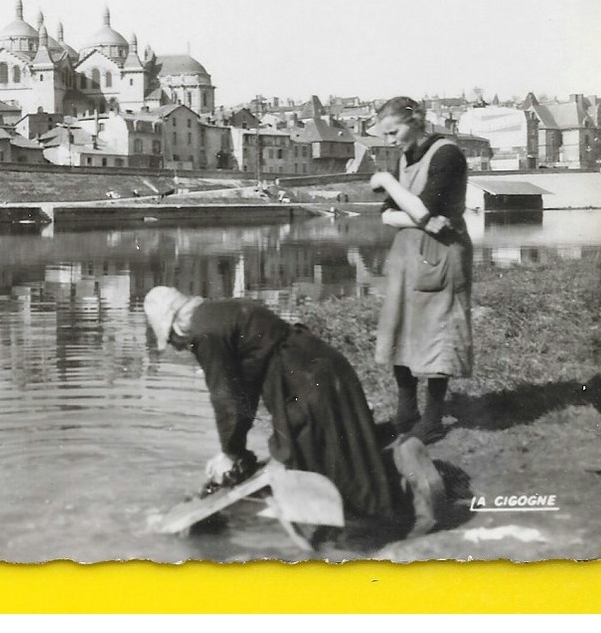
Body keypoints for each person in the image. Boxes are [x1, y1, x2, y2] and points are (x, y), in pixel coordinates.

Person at [143, 286, 442, 536]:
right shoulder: (217, 311)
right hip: (319, 365)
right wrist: (235, 449)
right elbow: (243, 394)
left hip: (303, 378)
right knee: (339, 452)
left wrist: (230, 453)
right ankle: (399, 465)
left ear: (176, 324)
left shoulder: (204, 332)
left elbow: (227, 399)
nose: (178, 347)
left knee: (312, 460)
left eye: (171, 339)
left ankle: (403, 502)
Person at [368, 96, 473, 444]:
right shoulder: (404, 158)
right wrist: (423, 221)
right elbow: (387, 214)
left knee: (438, 332)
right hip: (408, 253)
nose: (389, 140)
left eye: (393, 132)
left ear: (415, 122)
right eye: (385, 134)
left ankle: (432, 419)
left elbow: (424, 207)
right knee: (401, 328)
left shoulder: (447, 154)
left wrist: (388, 181)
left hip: (441, 256)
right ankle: (405, 411)